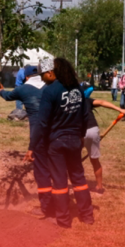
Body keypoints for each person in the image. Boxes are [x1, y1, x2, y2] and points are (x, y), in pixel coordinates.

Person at [29, 58, 94, 228]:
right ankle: (87, 216)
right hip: (74, 141)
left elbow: (42, 122)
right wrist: (80, 137)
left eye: (43, 75)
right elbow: (85, 116)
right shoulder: (78, 90)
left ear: (51, 72)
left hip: (56, 143)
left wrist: (32, 147)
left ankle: (64, 220)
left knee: (60, 182)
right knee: (79, 179)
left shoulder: (50, 91)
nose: (42, 79)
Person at [0, 66, 54, 218]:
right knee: (56, 170)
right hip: (56, 134)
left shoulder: (24, 89)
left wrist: (0, 90)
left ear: (27, 77)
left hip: (38, 136)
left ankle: (46, 208)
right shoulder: (51, 86)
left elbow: (8, 96)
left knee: (41, 172)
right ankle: (61, 203)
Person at [83, 93, 125, 193]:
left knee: (73, 161)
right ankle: (99, 186)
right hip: (92, 130)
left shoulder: (67, 101)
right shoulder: (86, 100)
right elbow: (102, 102)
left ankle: (78, 185)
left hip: (77, 132)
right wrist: (120, 110)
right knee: (94, 160)